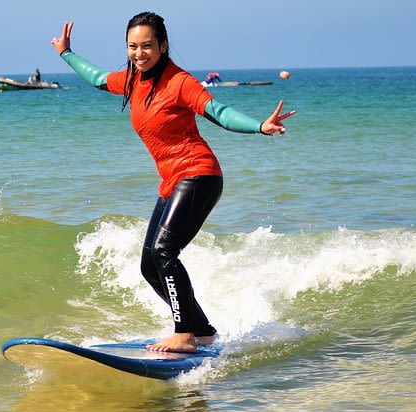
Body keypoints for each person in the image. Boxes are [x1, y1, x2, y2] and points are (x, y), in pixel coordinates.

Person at [51, 12, 295, 352]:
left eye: (147, 46)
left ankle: (183, 335)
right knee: (149, 264)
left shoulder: (180, 82)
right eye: (133, 47)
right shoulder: (133, 80)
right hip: (172, 181)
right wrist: (66, 53)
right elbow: (97, 78)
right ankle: (202, 330)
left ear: (163, 46)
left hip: (198, 174)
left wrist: (260, 126)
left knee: (165, 251)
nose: (139, 53)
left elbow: (219, 112)